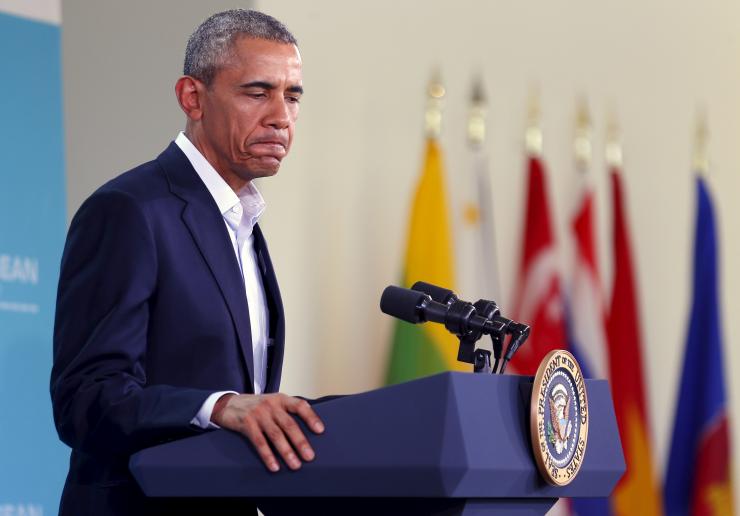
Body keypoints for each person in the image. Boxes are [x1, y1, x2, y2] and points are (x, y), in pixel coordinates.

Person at [50, 9, 324, 515]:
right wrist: (218, 407)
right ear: (192, 98)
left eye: (292, 96)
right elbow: (86, 399)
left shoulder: (241, 221)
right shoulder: (130, 210)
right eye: (257, 92)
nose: (281, 117)